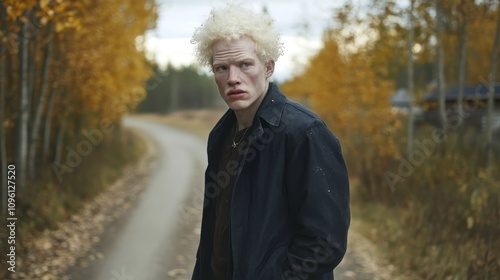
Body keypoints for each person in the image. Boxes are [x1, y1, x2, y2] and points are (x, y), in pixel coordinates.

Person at [190, 4, 350, 280]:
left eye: (245, 65)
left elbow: (325, 241)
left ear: (268, 67)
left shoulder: (304, 132)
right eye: (221, 68)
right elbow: (217, 231)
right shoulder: (221, 134)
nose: (233, 79)